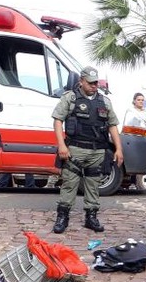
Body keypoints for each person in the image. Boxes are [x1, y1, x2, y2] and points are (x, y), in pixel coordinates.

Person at [50, 66, 123, 234]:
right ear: (81, 81)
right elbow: (58, 120)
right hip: (75, 149)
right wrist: (61, 145)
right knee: (70, 183)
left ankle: (91, 217)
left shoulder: (104, 101)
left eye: (96, 83)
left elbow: (113, 125)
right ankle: (62, 217)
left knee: (93, 185)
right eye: (90, 83)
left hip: (97, 151)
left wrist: (119, 149)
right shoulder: (70, 98)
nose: (94, 86)